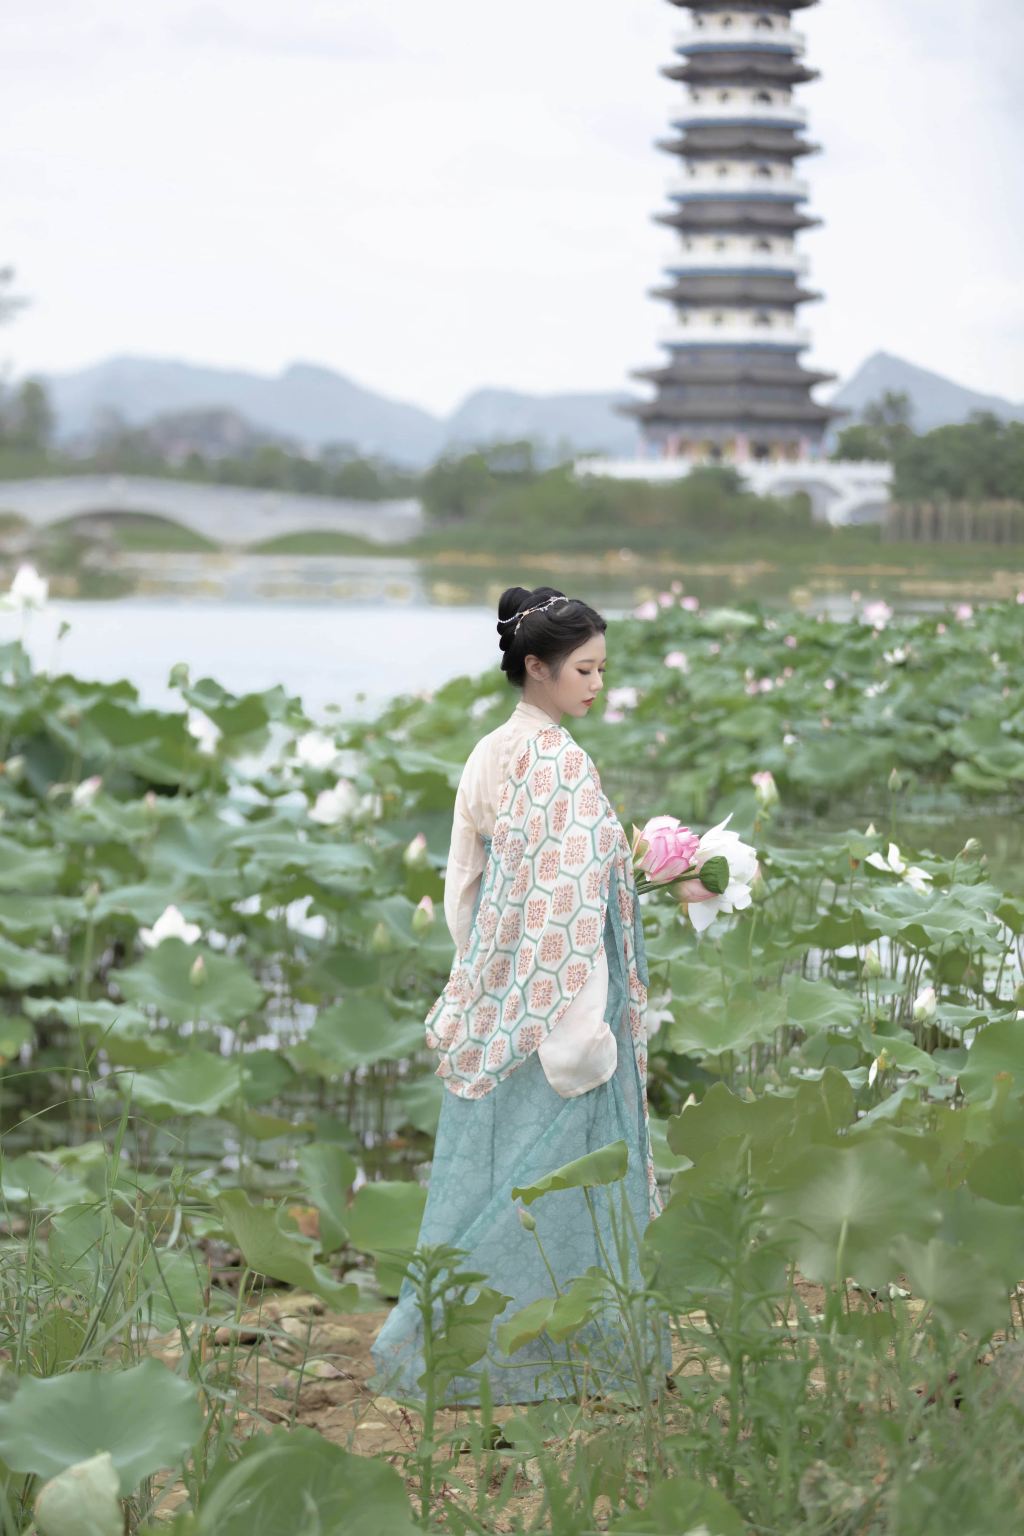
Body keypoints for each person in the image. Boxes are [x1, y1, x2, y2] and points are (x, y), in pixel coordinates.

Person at [369, 585, 667, 1405]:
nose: (596, 684)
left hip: (500, 996)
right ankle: (562, 1360)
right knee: (558, 1184)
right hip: (573, 1004)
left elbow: (465, 887)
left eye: (602, 668)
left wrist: (493, 979)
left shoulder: (487, 754)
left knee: (491, 1168)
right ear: (536, 668)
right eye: (585, 668)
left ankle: (450, 1341)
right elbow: (570, 908)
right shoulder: (561, 763)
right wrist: (577, 1028)